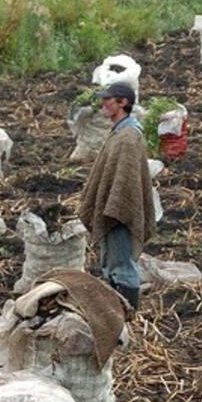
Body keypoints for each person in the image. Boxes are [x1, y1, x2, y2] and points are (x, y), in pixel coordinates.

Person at [77, 81, 156, 310]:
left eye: (108, 99)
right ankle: (116, 311)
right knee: (111, 263)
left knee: (122, 265)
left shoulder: (128, 137)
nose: (103, 103)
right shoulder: (119, 133)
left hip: (120, 212)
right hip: (113, 207)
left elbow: (127, 182)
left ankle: (129, 313)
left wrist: (117, 207)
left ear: (123, 103)